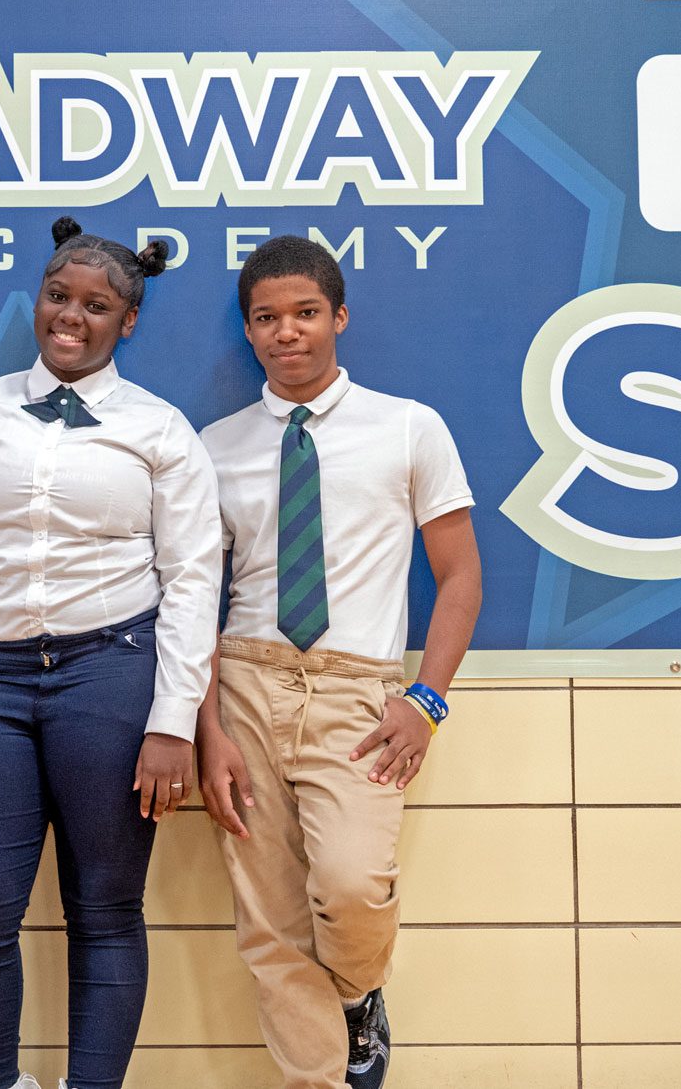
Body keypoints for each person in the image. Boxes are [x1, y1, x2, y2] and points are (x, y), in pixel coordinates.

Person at [0, 217, 223, 1089]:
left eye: (96, 305)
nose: (70, 316)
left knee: (107, 908)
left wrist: (173, 721)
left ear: (128, 321)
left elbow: (193, 579)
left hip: (111, 674)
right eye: (57, 295)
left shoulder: (161, 430)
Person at [196, 235, 482, 1089]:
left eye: (306, 313)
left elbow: (460, 575)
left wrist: (425, 697)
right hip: (245, 679)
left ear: (339, 317)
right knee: (270, 921)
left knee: (352, 884)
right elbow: (192, 604)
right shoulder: (213, 446)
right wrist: (205, 727)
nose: (287, 332)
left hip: (357, 688)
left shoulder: (407, 426)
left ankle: (360, 995)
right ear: (249, 330)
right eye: (267, 317)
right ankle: (316, 1079)